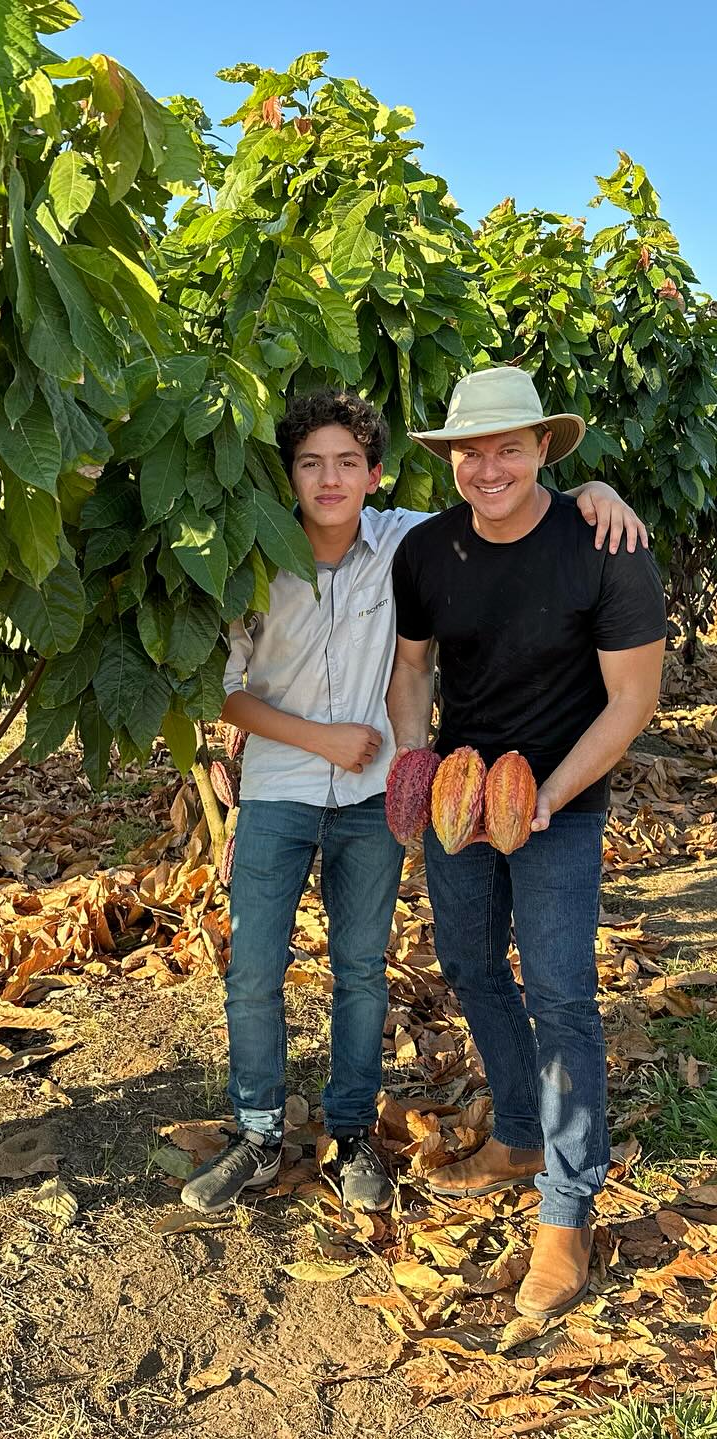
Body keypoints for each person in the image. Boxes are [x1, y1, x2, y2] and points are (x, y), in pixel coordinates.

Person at [180, 387, 647, 1220]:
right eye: (311, 464)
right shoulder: (296, 557)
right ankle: (266, 1130)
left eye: (348, 464)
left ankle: (497, 1179)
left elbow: (509, 502)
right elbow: (254, 688)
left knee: (437, 978)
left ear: (376, 475)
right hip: (338, 789)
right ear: (287, 474)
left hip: (460, 799)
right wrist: (369, 748)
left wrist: (593, 495)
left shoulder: (421, 538)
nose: (330, 480)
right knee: (287, 967)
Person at [386, 366, 666, 1317]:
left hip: (563, 798)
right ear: (450, 460)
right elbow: (414, 668)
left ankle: (567, 1208)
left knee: (562, 994)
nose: (489, 466)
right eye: (471, 450)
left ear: (546, 447)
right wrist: (416, 763)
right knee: (468, 964)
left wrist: (546, 794)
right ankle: (518, 1130)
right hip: (464, 796)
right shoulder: (425, 551)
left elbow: (632, 700)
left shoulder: (605, 544)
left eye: (510, 445)